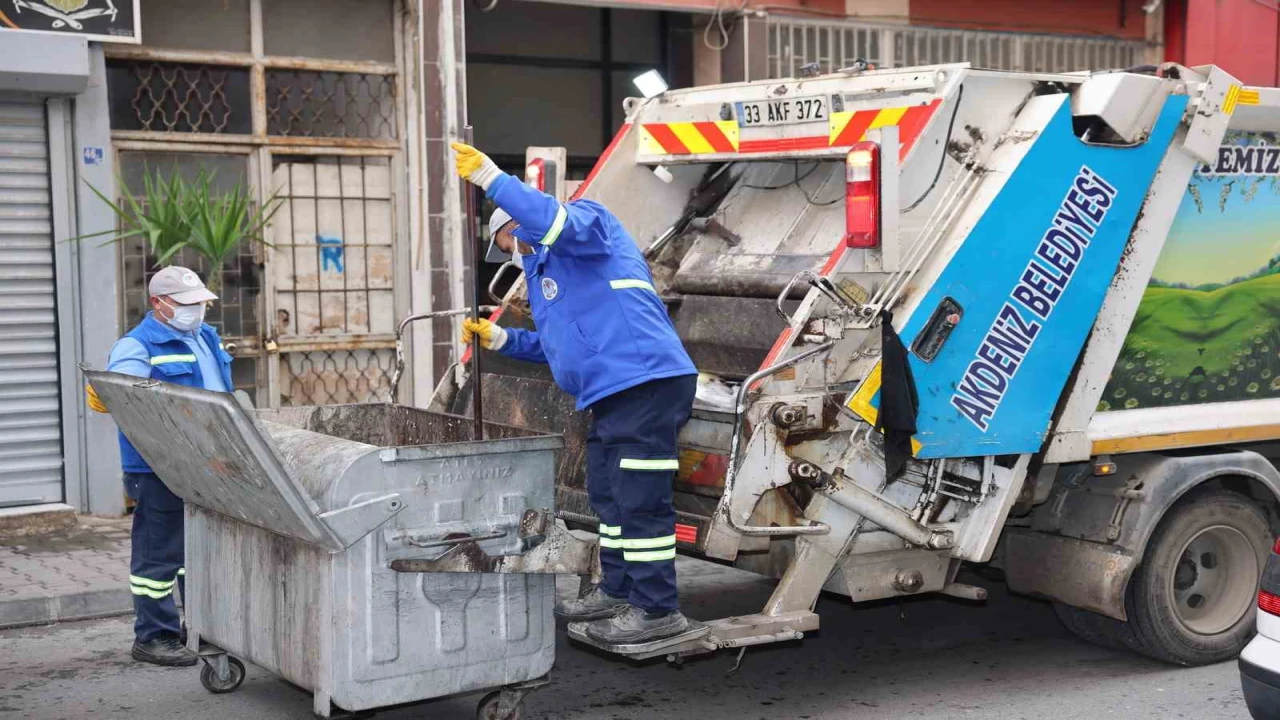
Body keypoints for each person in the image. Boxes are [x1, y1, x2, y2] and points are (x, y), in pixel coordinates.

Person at [452, 141, 699, 645]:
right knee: (610, 498)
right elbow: (562, 346)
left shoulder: (588, 226)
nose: (510, 252)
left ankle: (658, 611)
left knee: (640, 502)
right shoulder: (550, 275)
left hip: (645, 381)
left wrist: (491, 177)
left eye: (507, 240)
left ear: (517, 221)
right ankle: (618, 589)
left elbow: (551, 220)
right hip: (611, 392)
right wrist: (503, 340)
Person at [84, 266, 232, 666]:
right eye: (186, 304)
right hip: (159, 468)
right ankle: (153, 636)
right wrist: (105, 389)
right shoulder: (136, 347)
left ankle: (195, 626)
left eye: (200, 303)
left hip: (206, 463)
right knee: (158, 555)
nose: (196, 311)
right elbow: (120, 400)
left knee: (195, 552)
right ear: (158, 303)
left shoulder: (205, 337)